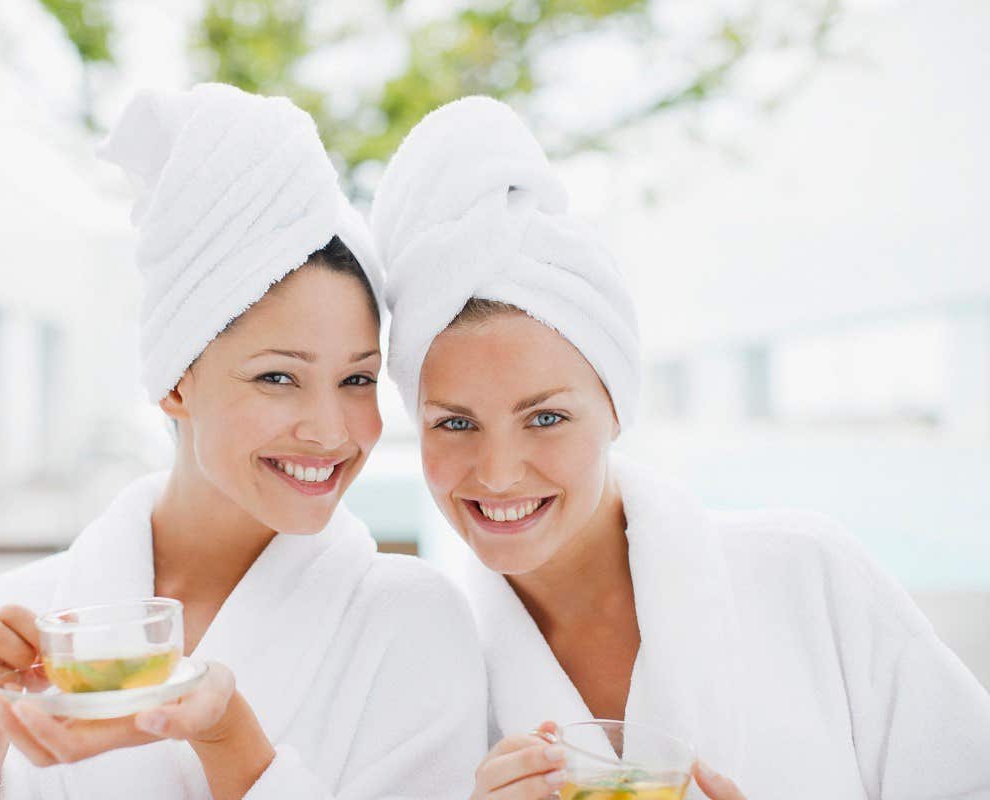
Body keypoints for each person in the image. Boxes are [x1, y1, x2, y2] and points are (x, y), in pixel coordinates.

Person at [0, 84, 486, 800]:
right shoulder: (8, 625)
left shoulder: (412, 623)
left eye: (358, 380)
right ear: (175, 382)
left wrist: (229, 739)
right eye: (279, 377)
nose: (332, 430)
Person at [369, 95, 990, 800]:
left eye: (545, 419)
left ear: (616, 408)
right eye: (454, 423)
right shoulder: (421, 677)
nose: (500, 472)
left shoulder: (809, 579)